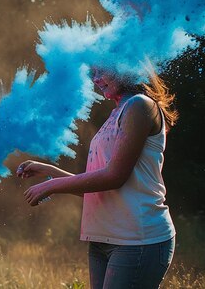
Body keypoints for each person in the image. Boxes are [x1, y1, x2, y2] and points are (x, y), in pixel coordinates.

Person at [17, 67, 178, 289]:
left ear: (125, 64)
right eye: (92, 73)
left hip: (136, 239)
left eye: (102, 71)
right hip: (104, 239)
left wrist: (52, 186)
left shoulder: (139, 105)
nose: (96, 79)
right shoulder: (118, 111)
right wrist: (49, 170)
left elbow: (114, 177)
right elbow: (95, 187)